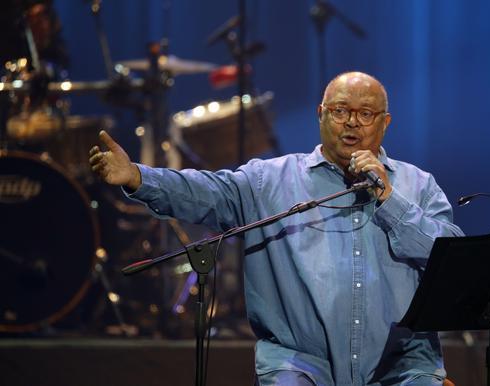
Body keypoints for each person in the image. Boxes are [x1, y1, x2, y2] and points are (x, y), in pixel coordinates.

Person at [89, 71, 464, 386]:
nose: (352, 122)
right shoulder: (269, 181)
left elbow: (453, 260)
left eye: (366, 114)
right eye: (340, 111)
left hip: (400, 370)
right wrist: (138, 177)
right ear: (320, 115)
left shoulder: (418, 185)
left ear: (385, 122)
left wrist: (390, 200)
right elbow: (204, 192)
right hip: (300, 366)